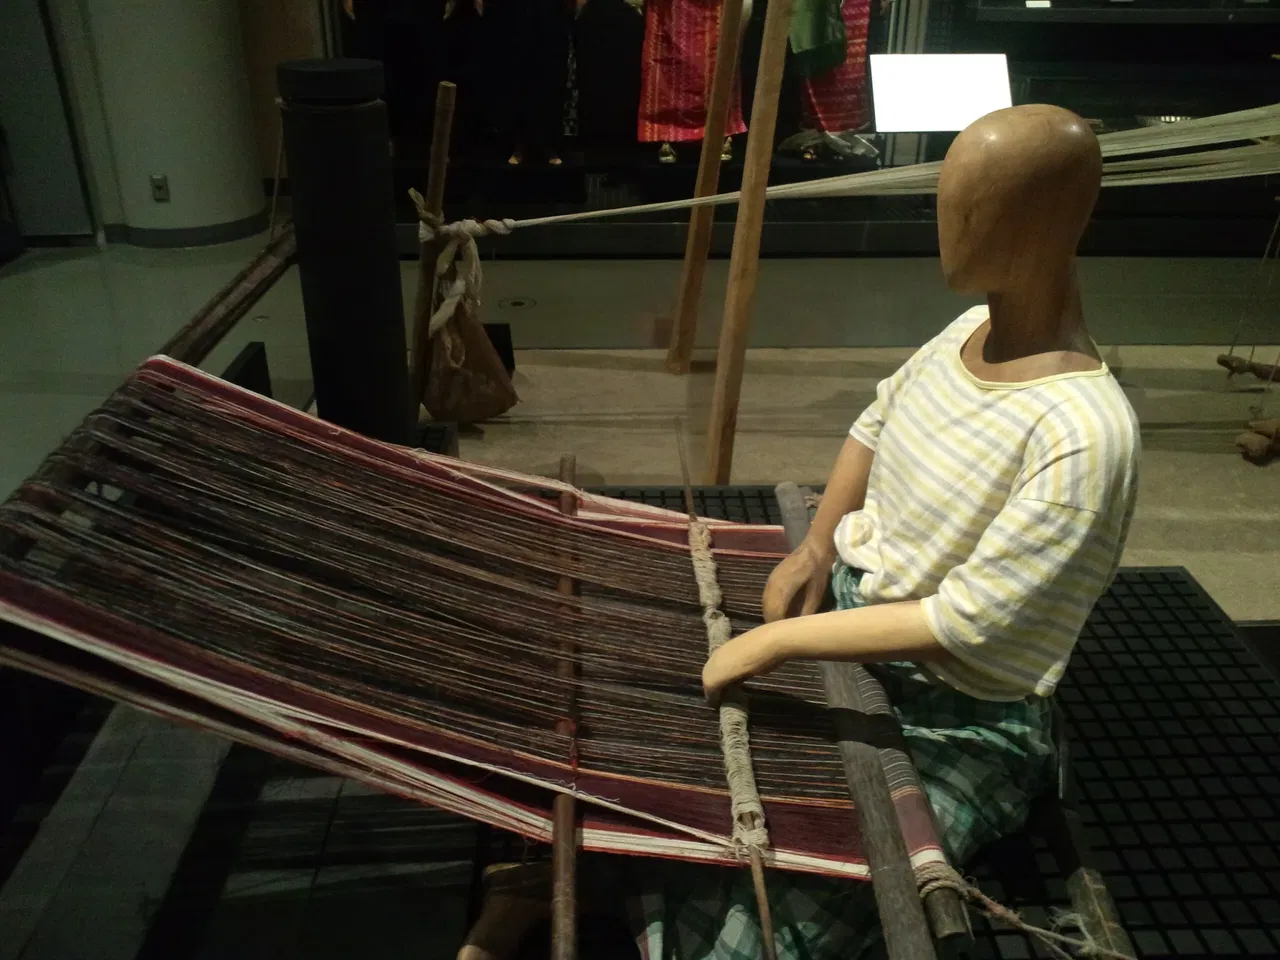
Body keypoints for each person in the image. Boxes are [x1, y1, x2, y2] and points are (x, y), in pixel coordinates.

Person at [460, 103, 1141, 960]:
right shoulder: (970, 332)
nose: (946, 225)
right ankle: (580, 870)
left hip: (962, 710)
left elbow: (969, 622)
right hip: (853, 618)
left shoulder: (1083, 434)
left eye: (968, 208)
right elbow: (876, 423)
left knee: (779, 906)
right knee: (634, 713)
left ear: (1037, 226)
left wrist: (779, 643)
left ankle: (618, 894)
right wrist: (818, 546)